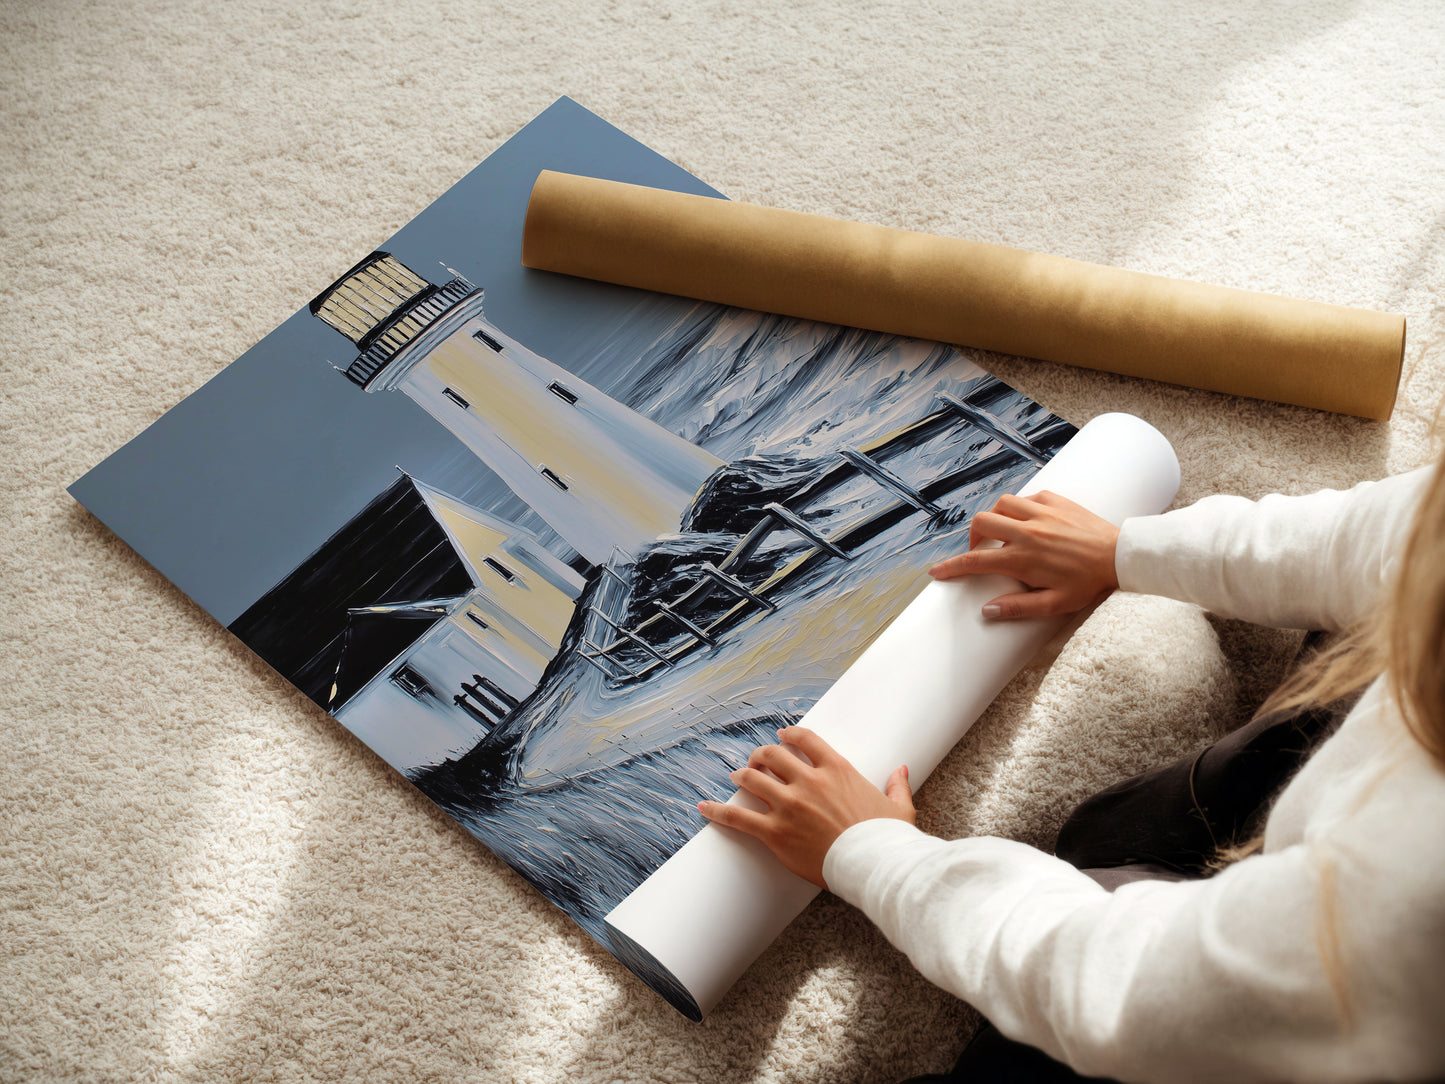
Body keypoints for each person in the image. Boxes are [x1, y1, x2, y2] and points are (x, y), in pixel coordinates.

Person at [698, 462, 1445, 1082]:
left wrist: (872, 854)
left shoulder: (1409, 896)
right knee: (1111, 834)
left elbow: (1122, 989)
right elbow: (1387, 534)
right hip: (1347, 874)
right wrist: (1124, 550)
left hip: (1349, 1012)